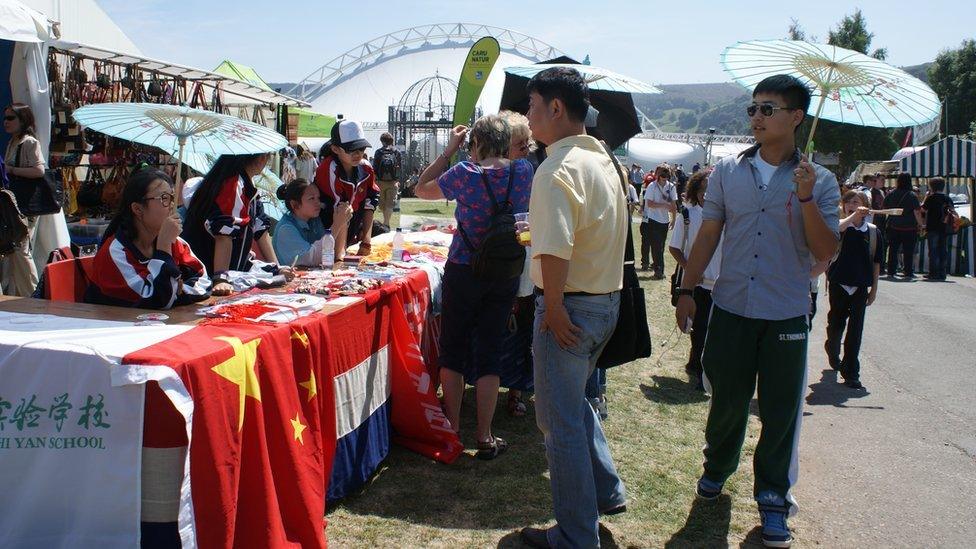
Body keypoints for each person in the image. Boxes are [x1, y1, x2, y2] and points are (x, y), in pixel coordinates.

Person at [675, 74, 840, 548]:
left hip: (786, 311)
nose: (756, 118)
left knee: (780, 410)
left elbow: (824, 250)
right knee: (726, 399)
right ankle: (717, 469)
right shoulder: (728, 172)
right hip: (730, 307)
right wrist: (686, 289)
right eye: (752, 109)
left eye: (768, 109)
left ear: (795, 117)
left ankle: (772, 498)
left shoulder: (820, 181)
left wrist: (806, 197)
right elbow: (708, 235)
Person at [517, 67, 628, 549]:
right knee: (574, 403)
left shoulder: (556, 168)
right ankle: (605, 489)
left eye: (533, 106)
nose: (528, 116)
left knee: (558, 422)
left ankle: (576, 536)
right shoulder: (603, 160)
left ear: (555, 108)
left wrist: (555, 307)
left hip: (572, 307)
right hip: (604, 302)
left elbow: (554, 252)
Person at [413, 114, 533, 460]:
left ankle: (452, 427)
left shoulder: (464, 174)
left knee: (454, 348)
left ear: (476, 144)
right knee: (490, 352)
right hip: (505, 269)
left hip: (464, 267)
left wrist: (449, 150)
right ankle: (484, 433)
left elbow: (421, 188)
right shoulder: (522, 171)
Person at [86, 168, 211, 309]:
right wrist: (164, 248)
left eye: (171, 196)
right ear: (138, 209)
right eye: (164, 198)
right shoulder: (116, 252)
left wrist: (178, 291)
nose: (171, 205)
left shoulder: (175, 242)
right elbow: (157, 301)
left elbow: (203, 280)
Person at [182, 153, 289, 296]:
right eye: (267, 157)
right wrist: (220, 278)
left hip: (232, 270)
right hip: (206, 272)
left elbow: (260, 230)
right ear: (261, 158)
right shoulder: (231, 184)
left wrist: (278, 268)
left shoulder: (246, 186)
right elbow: (224, 233)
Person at [824, 191, 883, 390]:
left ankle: (851, 372)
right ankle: (832, 348)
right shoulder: (842, 226)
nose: (852, 204)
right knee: (836, 323)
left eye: (856, 202)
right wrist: (852, 216)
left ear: (866, 205)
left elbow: (876, 263)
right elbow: (836, 229)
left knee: (855, 331)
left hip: (860, 287)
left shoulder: (873, 232)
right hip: (839, 283)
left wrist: (874, 289)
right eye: (848, 201)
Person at [668, 170, 720, 391]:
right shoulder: (688, 214)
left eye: (712, 190)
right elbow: (674, 247)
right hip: (698, 284)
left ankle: (696, 363)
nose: (707, 194)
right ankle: (699, 371)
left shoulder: (727, 215)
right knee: (699, 329)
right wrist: (691, 270)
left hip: (721, 284)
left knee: (713, 330)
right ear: (695, 191)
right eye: (703, 190)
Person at [500, 109, 536, 418]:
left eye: (527, 141)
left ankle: (516, 390)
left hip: (522, 253)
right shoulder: (487, 170)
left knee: (522, 324)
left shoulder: (528, 169)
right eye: (518, 142)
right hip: (498, 255)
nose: (525, 147)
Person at [313, 120, 379, 259]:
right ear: (335, 149)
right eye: (351, 149)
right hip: (327, 226)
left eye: (361, 149)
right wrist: (340, 255)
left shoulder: (366, 168)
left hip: (351, 221)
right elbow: (340, 211)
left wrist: (366, 241)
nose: (357, 154)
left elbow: (370, 203)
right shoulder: (328, 169)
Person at [1, 103, 43, 296]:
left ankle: (32, 293)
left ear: (22, 120)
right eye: (5, 118)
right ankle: (20, 293)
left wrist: (12, 170)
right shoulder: (13, 142)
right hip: (15, 204)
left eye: (11, 118)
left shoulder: (29, 142)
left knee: (21, 249)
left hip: (25, 205)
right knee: (15, 249)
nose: (5, 122)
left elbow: (39, 170)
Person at [272, 178, 335, 267]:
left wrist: (343, 220)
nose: (318, 203)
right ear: (294, 204)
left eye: (318, 198)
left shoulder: (313, 222)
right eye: (311, 198)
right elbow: (313, 259)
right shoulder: (286, 229)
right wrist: (337, 224)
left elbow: (334, 252)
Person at [883, 172, 923, 278]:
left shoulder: (891, 193)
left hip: (893, 226)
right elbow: (917, 212)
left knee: (893, 249)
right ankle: (908, 271)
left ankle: (891, 271)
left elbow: (885, 208)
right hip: (909, 227)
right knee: (908, 250)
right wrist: (921, 224)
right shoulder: (912, 195)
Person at [643, 165, 678, 279]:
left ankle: (657, 266)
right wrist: (663, 205)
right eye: (662, 174)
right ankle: (659, 270)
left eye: (667, 175)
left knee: (661, 246)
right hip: (653, 220)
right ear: (658, 175)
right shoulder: (652, 186)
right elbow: (650, 204)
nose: (664, 177)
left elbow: (673, 205)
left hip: (665, 221)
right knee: (657, 246)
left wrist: (673, 219)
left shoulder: (671, 187)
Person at [921, 177, 956, 281]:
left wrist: (926, 197)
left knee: (933, 251)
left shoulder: (931, 198)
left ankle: (933, 273)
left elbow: (922, 209)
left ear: (932, 186)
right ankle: (942, 273)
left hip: (932, 227)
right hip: (945, 228)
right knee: (942, 250)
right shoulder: (947, 198)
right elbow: (952, 211)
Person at [372, 132, 402, 227]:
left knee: (382, 204)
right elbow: (399, 167)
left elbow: (375, 167)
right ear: (391, 141)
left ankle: (385, 224)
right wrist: (397, 180)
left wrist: (375, 180)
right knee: (390, 204)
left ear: (382, 141)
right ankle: (386, 223)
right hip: (393, 182)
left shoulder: (378, 152)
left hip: (380, 182)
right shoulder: (396, 152)